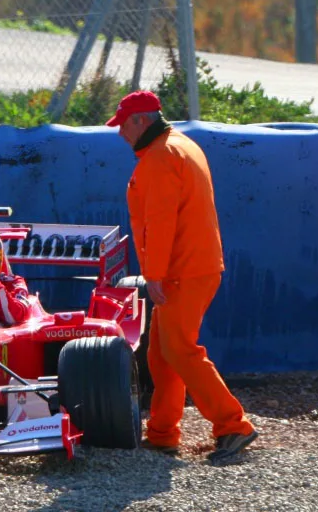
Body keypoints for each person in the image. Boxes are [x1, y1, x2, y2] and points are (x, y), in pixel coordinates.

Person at [107, 90, 258, 461]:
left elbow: (160, 223)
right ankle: (162, 433)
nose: (120, 134)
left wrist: (153, 276)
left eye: (123, 125)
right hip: (193, 267)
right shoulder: (179, 145)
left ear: (141, 120)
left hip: (181, 272)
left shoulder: (160, 157)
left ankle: (233, 426)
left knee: (179, 350)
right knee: (161, 354)